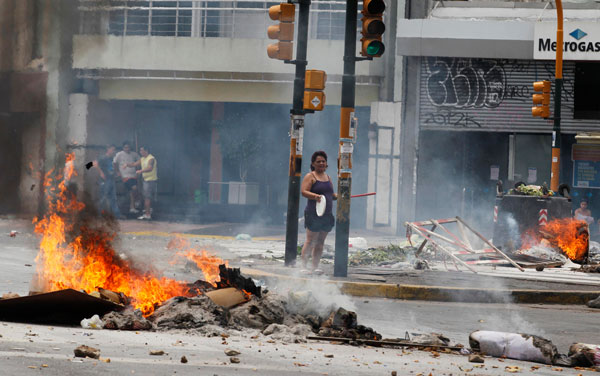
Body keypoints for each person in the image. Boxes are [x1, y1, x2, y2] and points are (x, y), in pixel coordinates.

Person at [300, 150, 337, 275]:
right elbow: (304, 191)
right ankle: (304, 267)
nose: (321, 163)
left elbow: (330, 194)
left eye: (323, 161)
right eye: (318, 161)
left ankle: (314, 267)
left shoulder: (328, 177)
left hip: (326, 214)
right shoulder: (310, 176)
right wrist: (315, 196)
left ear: (326, 164)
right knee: (310, 241)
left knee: (321, 242)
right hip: (313, 213)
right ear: (313, 164)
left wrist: (335, 196)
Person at [93, 144, 123, 218]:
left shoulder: (111, 158)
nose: (114, 151)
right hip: (105, 181)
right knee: (103, 198)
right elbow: (93, 163)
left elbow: (111, 168)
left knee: (113, 198)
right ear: (108, 149)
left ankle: (117, 215)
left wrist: (116, 173)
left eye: (114, 150)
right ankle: (98, 215)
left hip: (111, 180)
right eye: (112, 149)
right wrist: (101, 173)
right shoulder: (103, 157)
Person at [128, 146, 157, 220]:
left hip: (150, 181)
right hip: (145, 180)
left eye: (141, 150)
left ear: (146, 151)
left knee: (147, 198)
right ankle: (148, 211)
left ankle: (147, 214)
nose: (140, 152)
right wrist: (127, 165)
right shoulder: (143, 158)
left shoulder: (151, 158)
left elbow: (150, 168)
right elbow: (135, 164)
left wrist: (140, 171)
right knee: (146, 197)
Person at [113, 141, 140, 214]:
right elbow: (114, 163)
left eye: (128, 147)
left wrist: (138, 170)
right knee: (134, 188)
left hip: (134, 175)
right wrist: (117, 172)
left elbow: (139, 161)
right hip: (125, 176)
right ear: (123, 148)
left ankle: (132, 207)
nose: (127, 149)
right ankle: (136, 202)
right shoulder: (119, 154)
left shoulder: (134, 154)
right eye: (125, 147)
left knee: (132, 191)